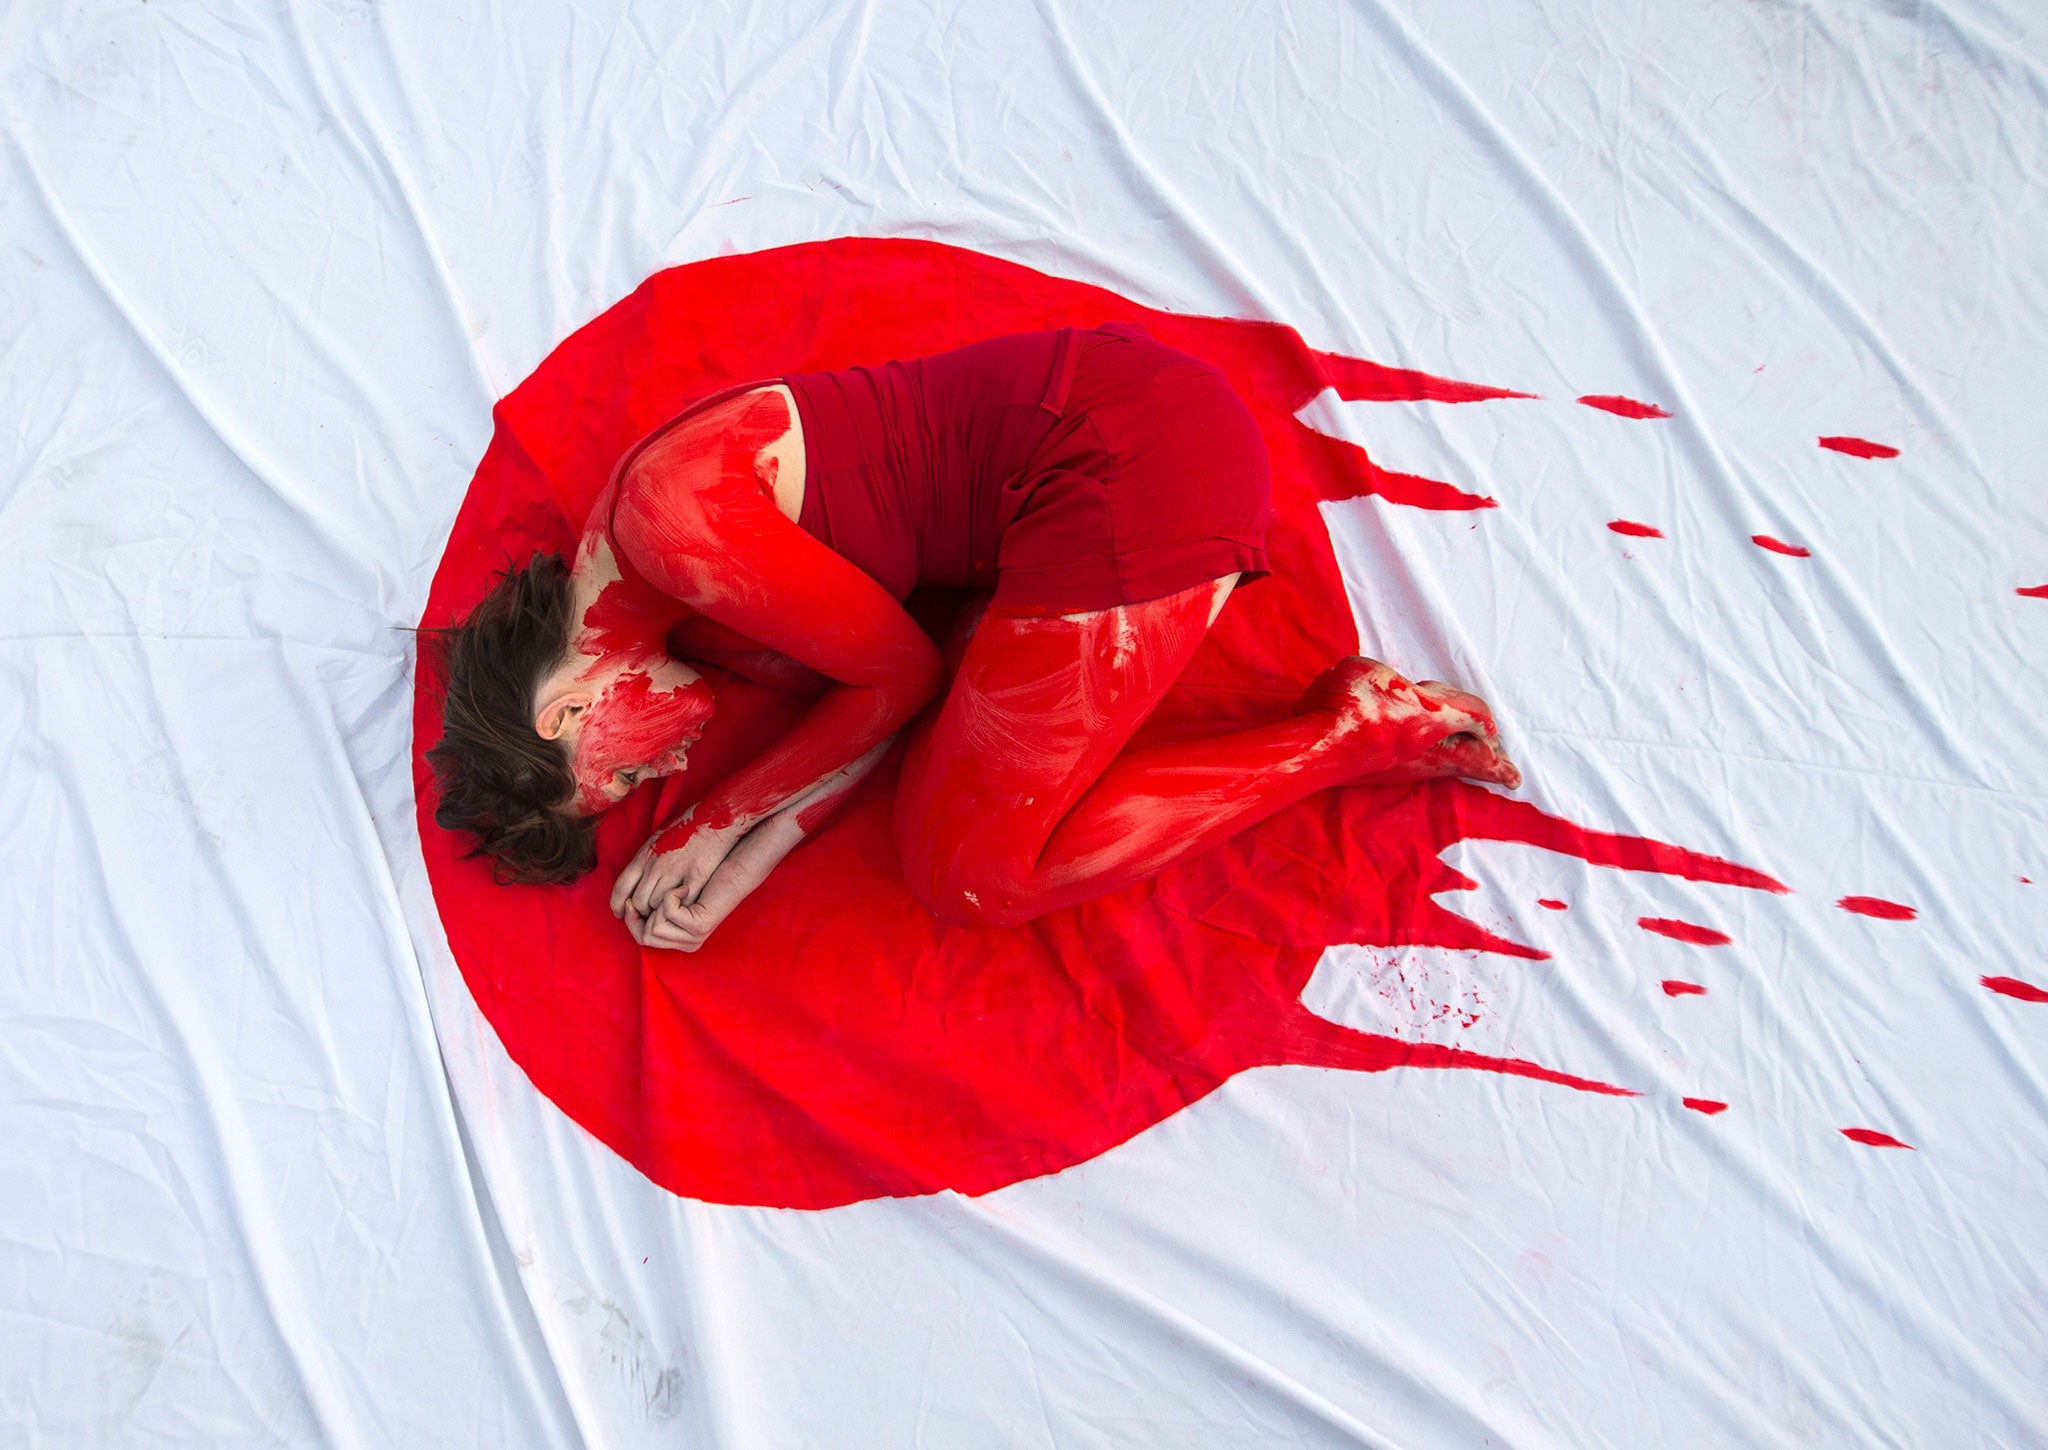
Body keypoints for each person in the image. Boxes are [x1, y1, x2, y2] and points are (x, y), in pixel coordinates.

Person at [427, 324, 1518, 951]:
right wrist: (744, 856)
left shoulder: (674, 529)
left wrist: (710, 823)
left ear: (569, 710)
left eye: (626, 775)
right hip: (1084, 489)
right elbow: (873, 700)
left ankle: (1348, 734)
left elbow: (900, 677)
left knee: (971, 878)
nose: (666, 766)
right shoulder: (657, 597)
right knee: (958, 852)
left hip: (1123, 464)